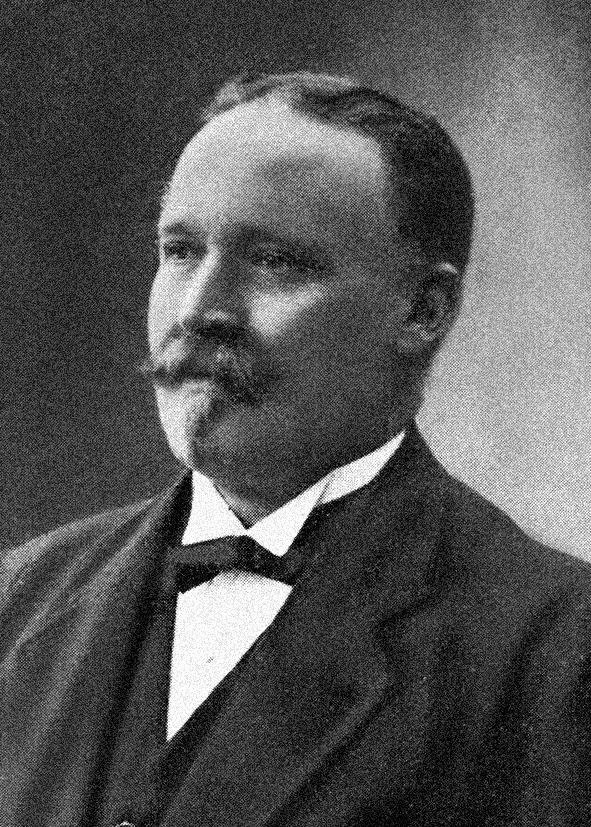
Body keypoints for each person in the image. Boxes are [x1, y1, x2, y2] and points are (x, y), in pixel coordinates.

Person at [1, 71, 590, 827]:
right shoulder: (23, 597)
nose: (199, 309)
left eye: (276, 262)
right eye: (180, 251)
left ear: (423, 310)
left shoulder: (555, 653)